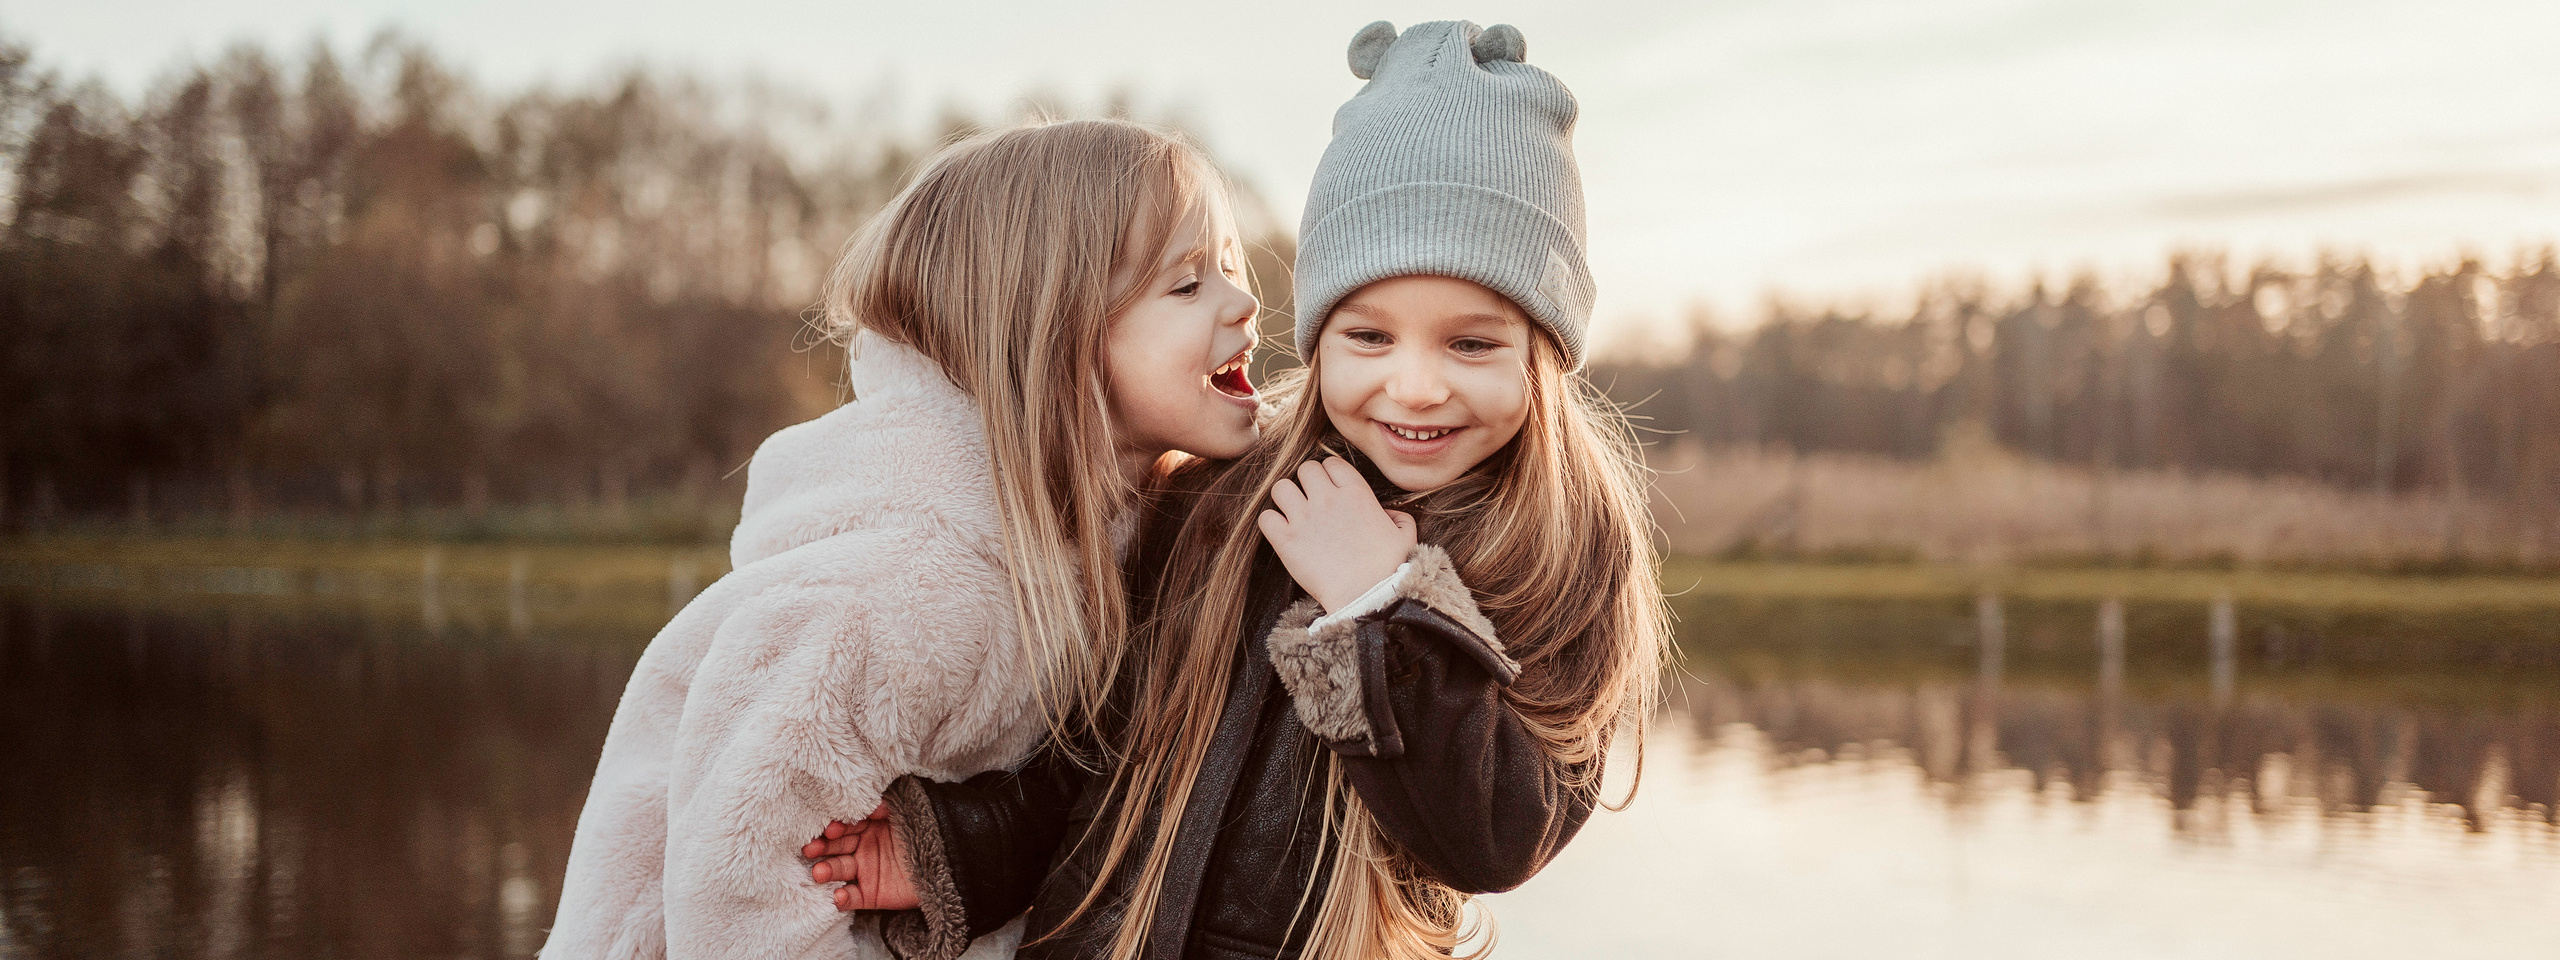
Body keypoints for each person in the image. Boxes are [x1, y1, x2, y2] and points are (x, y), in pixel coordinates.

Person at [807, 21, 1670, 960]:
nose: (1417, 386)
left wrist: (1381, 608)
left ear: (1543, 352)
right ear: (1318, 336)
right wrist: (957, 852)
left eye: (1471, 343)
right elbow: (1099, 763)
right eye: (1369, 337)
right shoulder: (1223, 502)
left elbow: (1499, 837)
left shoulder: (1563, 548)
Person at [540, 118, 1269, 960]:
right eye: (1187, 286)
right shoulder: (907, 593)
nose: (1245, 301)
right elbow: (734, 888)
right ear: (1047, 334)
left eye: (1229, 265)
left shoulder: (1097, 541)